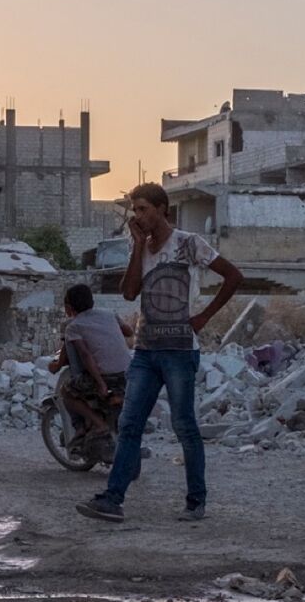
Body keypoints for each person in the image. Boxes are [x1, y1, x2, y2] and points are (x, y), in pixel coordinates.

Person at [78, 183, 242, 524]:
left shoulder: (189, 243)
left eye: (143, 210)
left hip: (180, 351)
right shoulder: (140, 247)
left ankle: (196, 501)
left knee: (184, 425)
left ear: (162, 210)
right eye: (134, 210)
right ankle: (113, 499)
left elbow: (232, 276)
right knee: (129, 423)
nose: (137, 217)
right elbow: (128, 293)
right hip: (145, 350)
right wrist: (138, 248)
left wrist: (204, 317)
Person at [51, 282, 131, 445]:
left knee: (67, 392)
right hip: (127, 373)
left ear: (69, 306)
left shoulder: (73, 326)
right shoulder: (109, 314)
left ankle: (99, 424)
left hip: (107, 377)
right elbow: (129, 331)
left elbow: (85, 355)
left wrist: (101, 383)